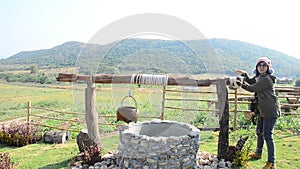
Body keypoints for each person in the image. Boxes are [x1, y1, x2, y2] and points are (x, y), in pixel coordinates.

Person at [236, 57, 280, 169]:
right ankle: (258, 153)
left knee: (267, 135)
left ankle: (271, 163)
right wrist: (245, 75)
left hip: (270, 110)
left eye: (264, 65)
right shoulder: (260, 77)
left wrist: (239, 83)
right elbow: (252, 81)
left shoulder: (266, 79)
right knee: (259, 132)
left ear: (268, 67)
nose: (261, 67)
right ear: (257, 67)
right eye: (259, 65)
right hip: (262, 110)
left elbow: (252, 88)